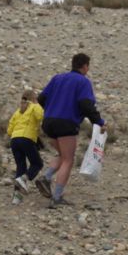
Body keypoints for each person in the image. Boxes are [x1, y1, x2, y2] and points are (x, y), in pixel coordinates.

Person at [36, 53, 106, 208]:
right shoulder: (83, 81)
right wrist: (99, 122)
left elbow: (41, 99)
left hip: (48, 122)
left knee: (62, 155)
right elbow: (86, 105)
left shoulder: (57, 78)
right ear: (85, 66)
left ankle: (46, 177)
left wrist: (52, 110)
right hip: (66, 123)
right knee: (69, 159)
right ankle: (56, 196)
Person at [6, 88, 44, 203]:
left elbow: (9, 130)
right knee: (37, 163)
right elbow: (40, 116)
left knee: (20, 167)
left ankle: (16, 198)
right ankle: (24, 178)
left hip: (14, 140)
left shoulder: (18, 111)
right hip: (26, 139)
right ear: (33, 98)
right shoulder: (34, 107)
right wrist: (37, 104)